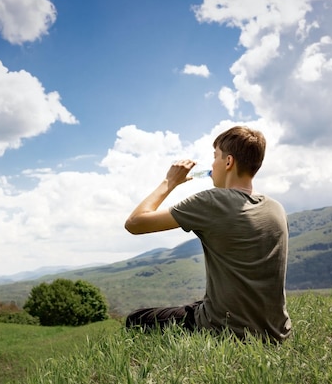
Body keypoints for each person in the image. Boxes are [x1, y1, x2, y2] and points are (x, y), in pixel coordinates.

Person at [124, 126, 292, 343]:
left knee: (136, 319)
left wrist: (170, 181)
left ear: (228, 162)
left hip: (228, 330)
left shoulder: (212, 201)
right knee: (196, 306)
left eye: (215, 157)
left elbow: (135, 223)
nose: (212, 164)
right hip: (277, 333)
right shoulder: (276, 208)